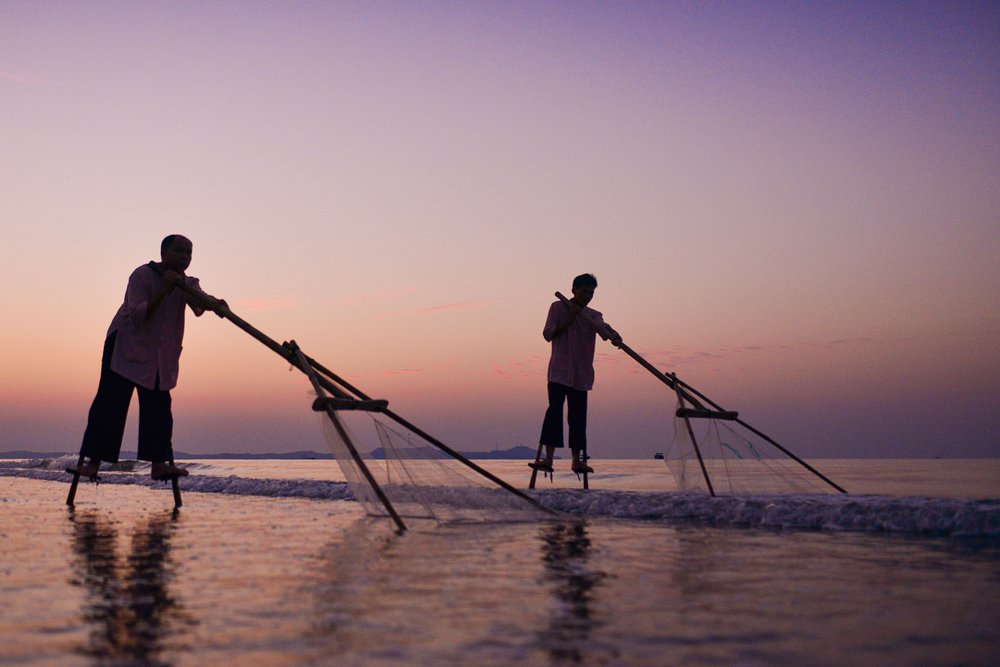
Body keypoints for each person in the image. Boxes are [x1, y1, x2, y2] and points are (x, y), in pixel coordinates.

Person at [70, 235, 226, 481]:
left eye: (189, 253)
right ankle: (92, 464)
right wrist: (165, 290)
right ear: (164, 253)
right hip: (124, 347)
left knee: (159, 407)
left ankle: (159, 465)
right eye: (179, 251)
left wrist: (216, 305)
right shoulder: (142, 276)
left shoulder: (187, 283)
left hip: (158, 356)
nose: (185, 257)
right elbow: (137, 316)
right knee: (110, 406)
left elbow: (200, 301)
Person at [532, 273, 621, 476]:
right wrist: (570, 319)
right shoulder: (557, 307)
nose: (588, 296)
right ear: (573, 290)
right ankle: (549, 458)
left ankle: (576, 461)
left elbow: (604, 329)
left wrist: (614, 335)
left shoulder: (592, 314)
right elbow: (548, 334)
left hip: (581, 376)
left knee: (578, 418)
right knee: (554, 413)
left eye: (591, 293)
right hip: (558, 373)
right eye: (584, 291)